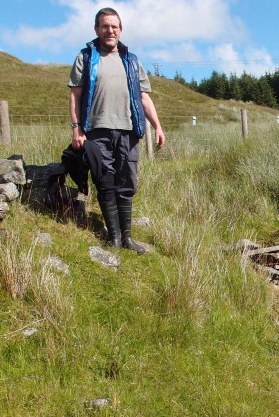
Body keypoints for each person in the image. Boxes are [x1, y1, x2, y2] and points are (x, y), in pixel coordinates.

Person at [68, 7, 165, 254]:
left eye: (114, 26)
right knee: (105, 181)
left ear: (120, 30)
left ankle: (127, 238)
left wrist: (157, 126)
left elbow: (144, 97)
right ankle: (114, 238)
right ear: (96, 29)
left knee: (127, 182)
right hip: (96, 130)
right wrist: (76, 129)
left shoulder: (132, 61)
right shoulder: (86, 58)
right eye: (105, 26)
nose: (109, 30)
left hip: (128, 131)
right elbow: (75, 94)